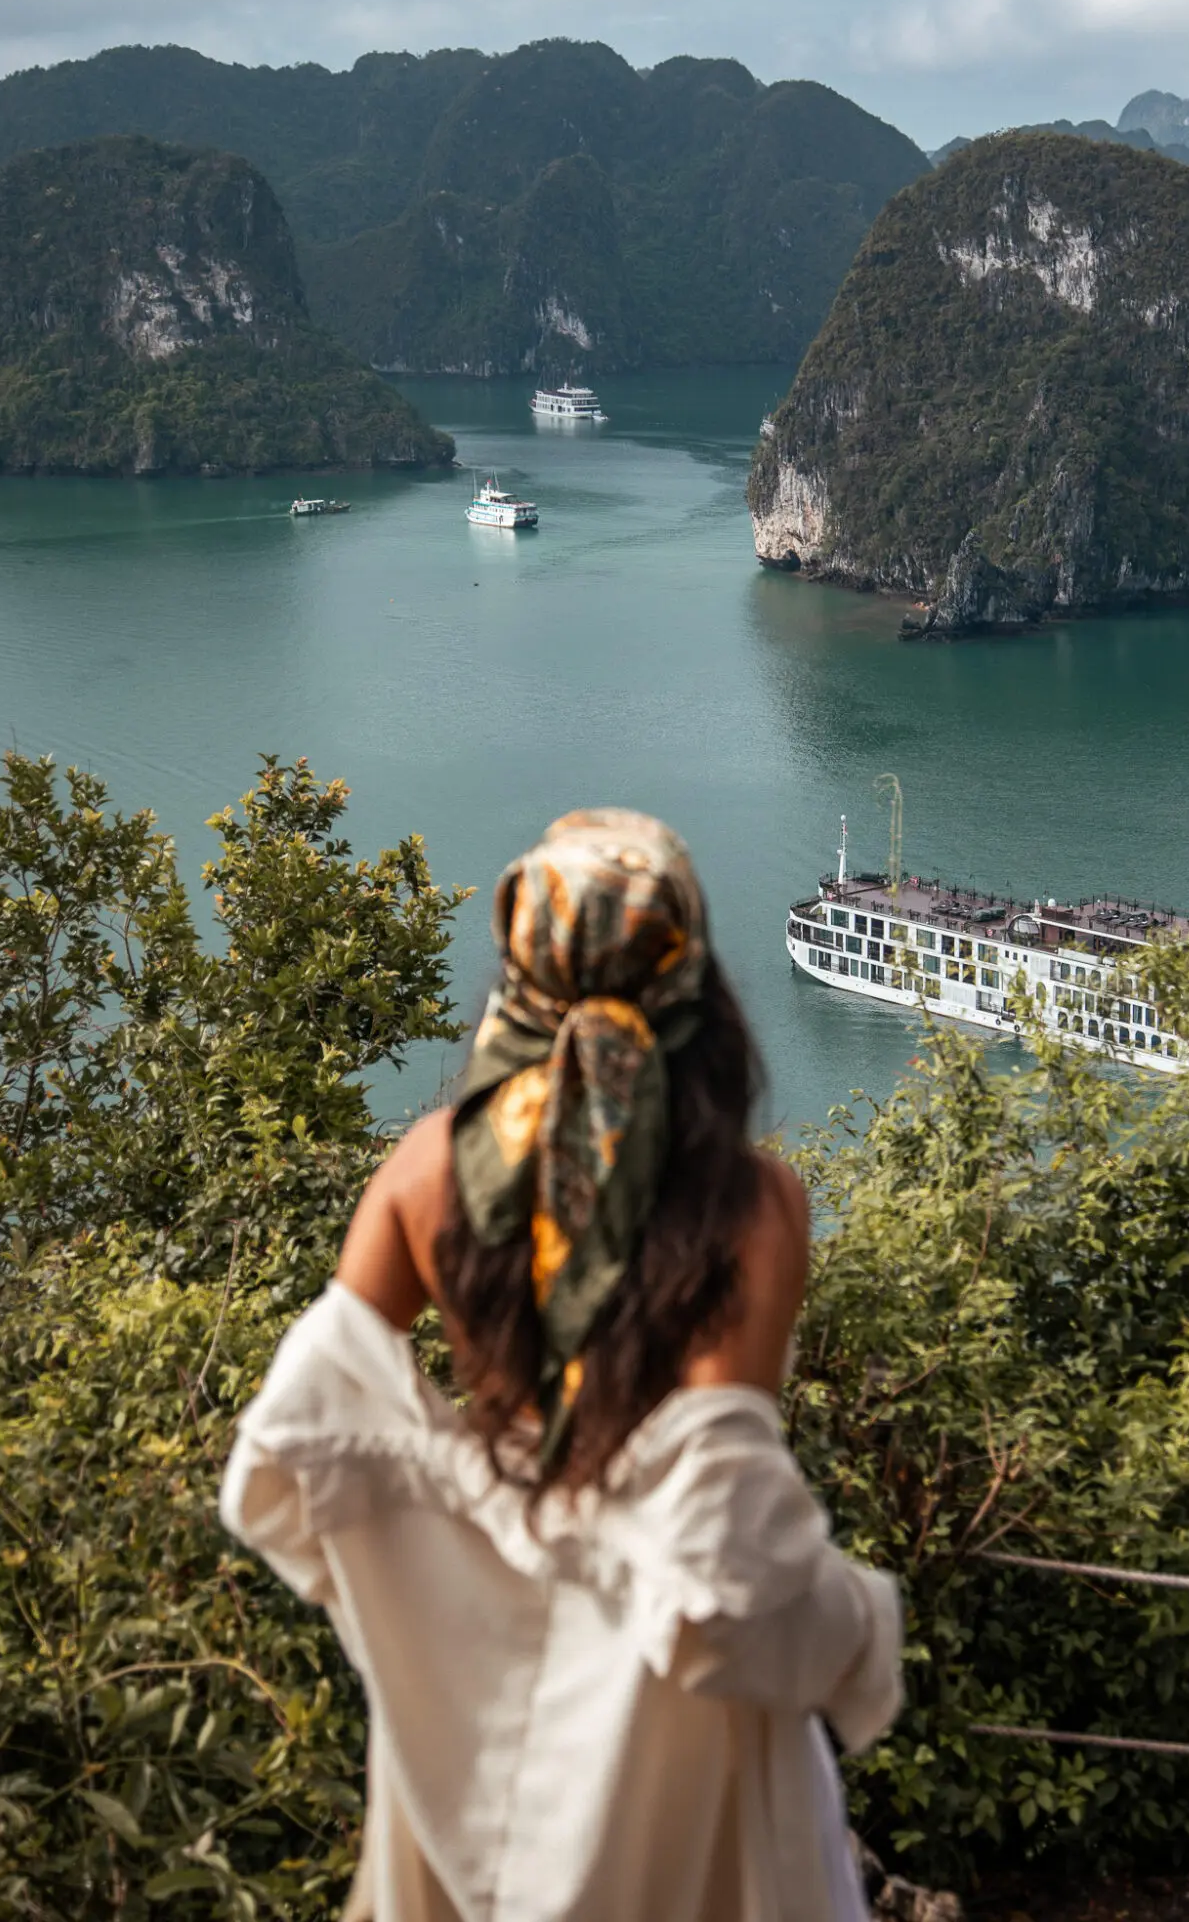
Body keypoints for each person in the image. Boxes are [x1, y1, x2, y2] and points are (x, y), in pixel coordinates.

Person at [220, 809, 902, 1922]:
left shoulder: (425, 1169)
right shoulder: (752, 1206)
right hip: (674, 1715)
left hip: (466, 1684)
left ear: (518, 967)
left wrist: (448, 1517)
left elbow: (295, 1440)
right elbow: (721, 1546)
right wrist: (862, 1633)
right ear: (689, 974)